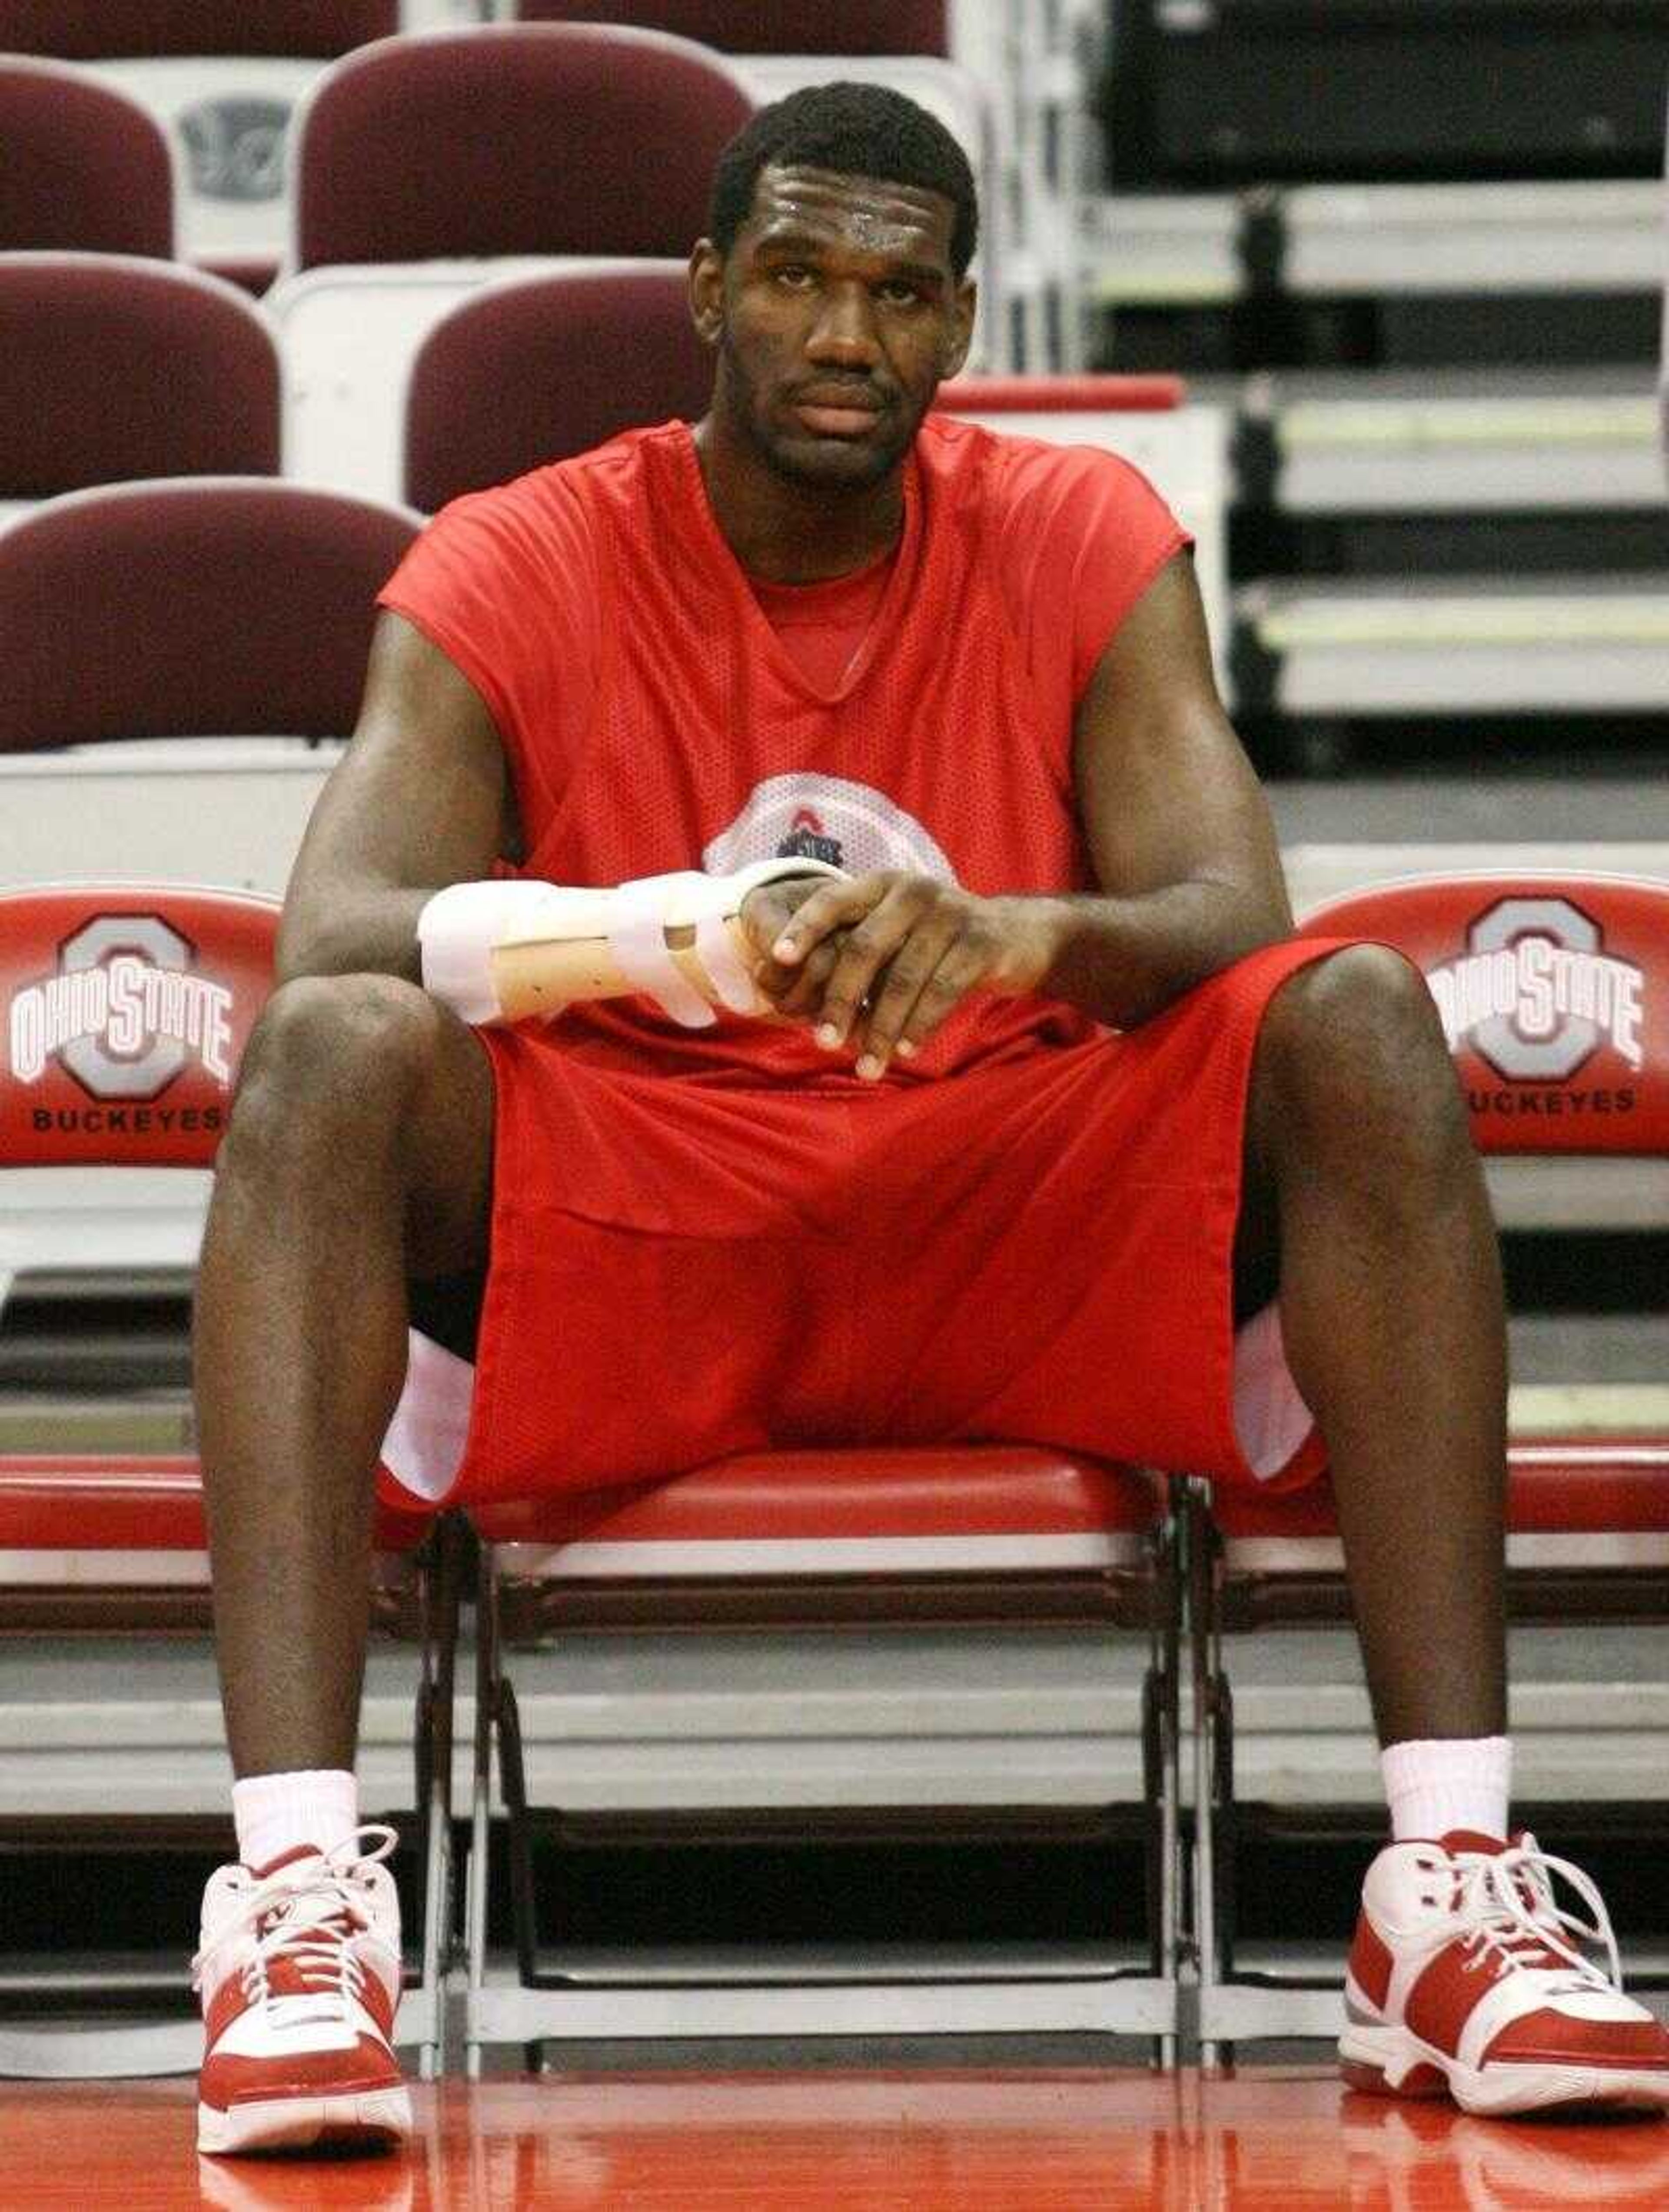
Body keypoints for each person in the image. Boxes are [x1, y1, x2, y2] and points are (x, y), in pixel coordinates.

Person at [187, 83, 1669, 2156]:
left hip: (1009, 1198)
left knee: (1349, 1016)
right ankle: (290, 1904)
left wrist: (1006, 939)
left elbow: (1228, 910)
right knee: (326, 1055)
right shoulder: (520, 549)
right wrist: (661, 937)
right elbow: (330, 923)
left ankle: (1448, 1891)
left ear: (963, 320)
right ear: (706, 291)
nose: (844, 334)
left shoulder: (1072, 530)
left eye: (898, 290)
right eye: (795, 275)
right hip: (649, 1199)